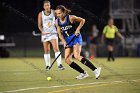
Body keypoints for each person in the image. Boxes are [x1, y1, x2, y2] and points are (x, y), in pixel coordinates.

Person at [55, 5, 101, 79]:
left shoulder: (71, 18)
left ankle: (95, 69)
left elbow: (83, 20)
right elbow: (59, 34)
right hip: (68, 40)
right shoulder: (57, 22)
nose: (58, 15)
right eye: (57, 14)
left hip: (76, 37)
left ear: (63, 12)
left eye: (59, 13)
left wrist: (77, 29)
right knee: (67, 60)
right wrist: (64, 42)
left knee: (77, 56)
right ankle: (83, 73)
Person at [38, 0, 64, 70]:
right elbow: (39, 25)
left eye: (48, 5)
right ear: (43, 6)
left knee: (56, 49)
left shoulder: (54, 12)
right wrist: (42, 31)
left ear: (50, 6)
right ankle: (47, 65)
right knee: (46, 50)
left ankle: (59, 65)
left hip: (53, 33)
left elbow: (60, 19)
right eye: (46, 5)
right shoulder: (41, 14)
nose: (47, 7)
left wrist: (59, 26)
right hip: (45, 34)